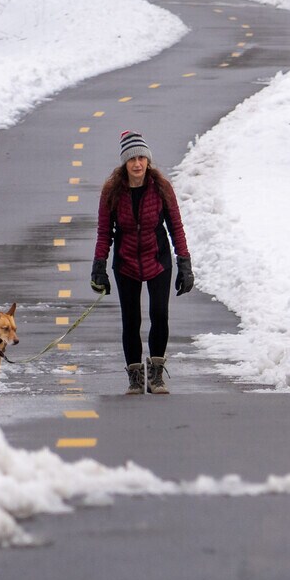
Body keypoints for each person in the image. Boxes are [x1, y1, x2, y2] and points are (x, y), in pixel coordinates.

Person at [90, 130, 194, 394]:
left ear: (148, 161)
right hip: (126, 262)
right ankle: (135, 377)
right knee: (131, 320)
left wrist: (184, 262)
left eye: (141, 158)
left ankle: (156, 375)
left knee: (159, 315)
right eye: (132, 159)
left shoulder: (161, 188)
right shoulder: (112, 190)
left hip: (157, 259)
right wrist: (99, 266)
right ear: (124, 163)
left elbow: (176, 227)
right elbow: (104, 233)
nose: (137, 164)